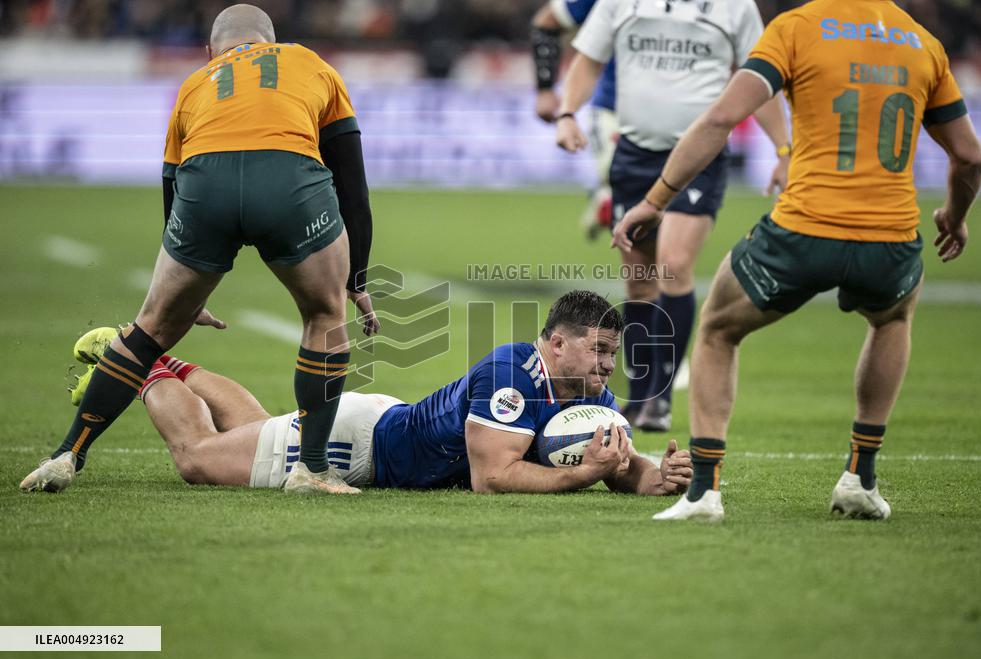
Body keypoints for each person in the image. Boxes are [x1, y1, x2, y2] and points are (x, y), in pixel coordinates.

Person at [613, 0, 981, 521]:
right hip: (892, 236)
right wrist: (957, 212)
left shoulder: (796, 28)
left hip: (804, 229)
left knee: (717, 329)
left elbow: (722, 116)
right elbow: (969, 156)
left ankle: (703, 492)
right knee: (892, 319)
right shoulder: (923, 43)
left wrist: (655, 201)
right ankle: (860, 478)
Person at [19, 4, 379, 496]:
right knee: (324, 314)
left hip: (204, 188)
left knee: (148, 330)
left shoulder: (195, 83)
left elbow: (172, 184)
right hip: (288, 181)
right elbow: (353, 185)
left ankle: (67, 455)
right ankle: (312, 471)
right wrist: (356, 280)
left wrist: (188, 285)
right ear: (271, 40)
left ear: (213, 50)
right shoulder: (311, 63)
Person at [60, 292, 694, 495]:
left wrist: (648, 475)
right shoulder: (511, 373)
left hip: (380, 427)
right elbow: (492, 477)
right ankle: (138, 362)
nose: (610, 365)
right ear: (555, 344)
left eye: (613, 353)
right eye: (599, 351)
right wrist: (582, 475)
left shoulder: (592, 397)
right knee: (199, 458)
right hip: (353, 447)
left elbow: (611, 460)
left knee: (249, 429)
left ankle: (160, 359)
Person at [555, 0, 791, 433]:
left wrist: (782, 148)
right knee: (641, 281)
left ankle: (661, 398)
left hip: (701, 156)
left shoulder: (735, 8)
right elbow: (588, 62)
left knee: (675, 264)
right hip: (633, 154)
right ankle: (642, 395)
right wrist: (568, 112)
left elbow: (761, 81)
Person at [531, 0, 617, 239]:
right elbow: (548, 21)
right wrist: (546, 87)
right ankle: (609, 194)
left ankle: (605, 195)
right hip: (615, 110)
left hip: (682, 117)